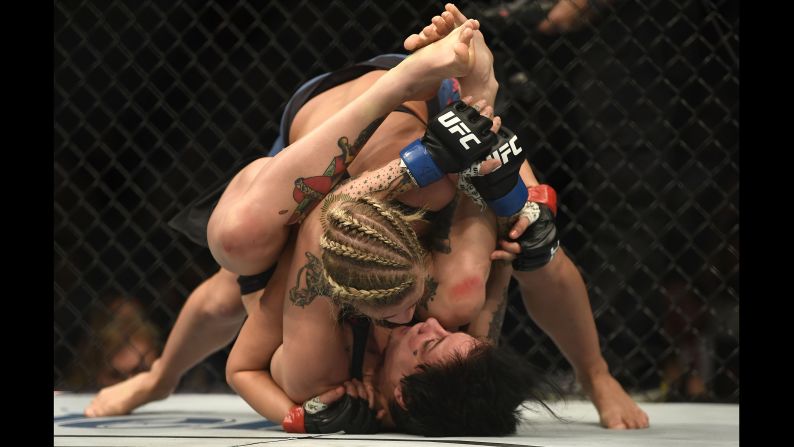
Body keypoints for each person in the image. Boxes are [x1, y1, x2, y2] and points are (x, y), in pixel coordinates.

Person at [87, 3, 648, 430]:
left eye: (427, 345)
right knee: (530, 248)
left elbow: (324, 220)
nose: (430, 327)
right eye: (456, 339)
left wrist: (295, 418)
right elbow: (498, 264)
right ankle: (468, 105)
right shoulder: (455, 316)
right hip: (431, 137)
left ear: (399, 394)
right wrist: (520, 207)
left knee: (235, 253)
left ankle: (159, 378)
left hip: (332, 142)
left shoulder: (319, 369)